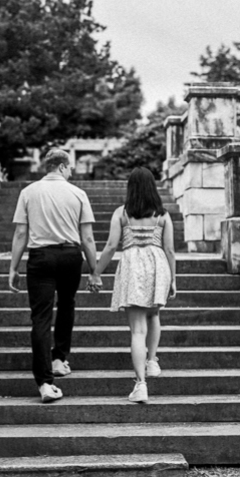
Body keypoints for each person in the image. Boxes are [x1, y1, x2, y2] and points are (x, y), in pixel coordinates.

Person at [8, 149, 99, 403]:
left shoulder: (28, 192)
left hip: (40, 258)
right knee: (67, 304)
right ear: (61, 167)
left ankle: (46, 383)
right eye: (69, 168)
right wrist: (94, 271)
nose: (71, 172)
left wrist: (14, 268)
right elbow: (88, 238)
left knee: (40, 317)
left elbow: (20, 235)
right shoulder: (78, 193)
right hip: (71, 256)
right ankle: (59, 358)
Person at [89, 167, 177, 404]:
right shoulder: (163, 215)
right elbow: (169, 249)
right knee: (154, 313)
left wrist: (96, 272)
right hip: (157, 264)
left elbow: (110, 246)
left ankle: (140, 384)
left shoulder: (122, 213)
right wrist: (173, 278)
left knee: (137, 329)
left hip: (132, 264)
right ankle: (152, 360)